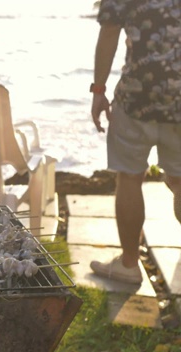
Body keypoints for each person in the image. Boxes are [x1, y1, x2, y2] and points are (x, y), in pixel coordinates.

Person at [89, 0, 181, 284]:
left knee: (129, 178)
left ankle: (129, 264)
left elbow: (110, 32)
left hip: (137, 97)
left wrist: (98, 90)